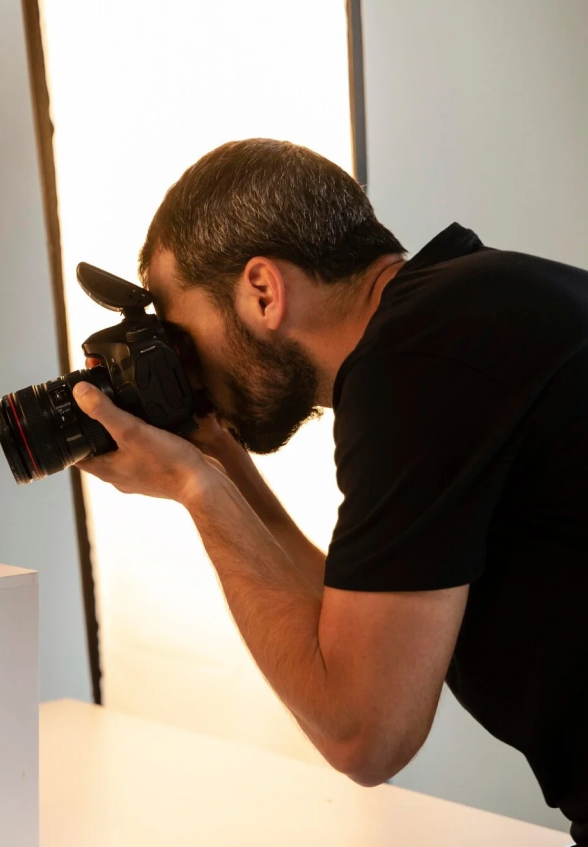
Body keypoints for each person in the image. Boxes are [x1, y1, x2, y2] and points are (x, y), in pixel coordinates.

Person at [73, 138, 588, 842]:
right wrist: (215, 460)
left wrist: (195, 489)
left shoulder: (410, 368)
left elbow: (365, 734)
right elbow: (353, 633)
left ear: (263, 290)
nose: (186, 370)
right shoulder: (469, 306)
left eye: (181, 335)